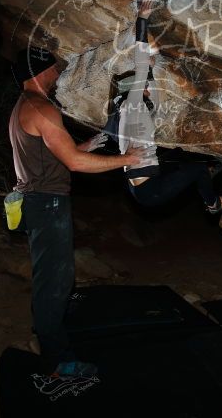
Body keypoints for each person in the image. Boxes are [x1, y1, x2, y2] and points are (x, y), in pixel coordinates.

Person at [8, 46, 143, 377]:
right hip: (46, 203)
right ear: (41, 72)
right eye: (55, 67)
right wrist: (128, 160)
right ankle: (58, 362)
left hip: (35, 201)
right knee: (55, 281)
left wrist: (89, 145)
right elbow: (73, 163)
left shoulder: (24, 106)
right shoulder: (41, 109)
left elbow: (54, 155)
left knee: (51, 277)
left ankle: (49, 332)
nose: (58, 72)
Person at [106, 0, 222, 213]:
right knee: (196, 171)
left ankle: (208, 171)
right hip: (150, 190)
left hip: (143, 183)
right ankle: (213, 203)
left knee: (178, 159)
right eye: (143, 85)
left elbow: (147, 73)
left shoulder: (137, 105)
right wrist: (142, 20)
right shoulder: (132, 104)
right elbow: (141, 66)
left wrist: (151, 61)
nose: (147, 87)